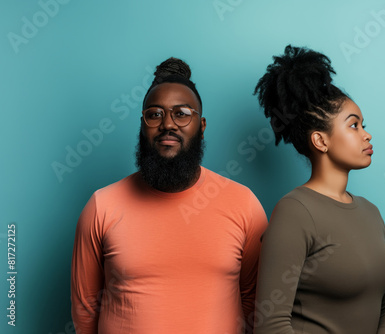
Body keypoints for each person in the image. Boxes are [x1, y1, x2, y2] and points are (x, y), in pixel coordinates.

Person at [71, 57, 268, 334]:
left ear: (202, 126)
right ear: (142, 125)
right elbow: (85, 310)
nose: (168, 124)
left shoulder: (243, 204)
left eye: (182, 113)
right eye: (155, 114)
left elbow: (253, 301)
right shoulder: (102, 206)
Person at [252, 45, 385, 334]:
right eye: (354, 125)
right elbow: (271, 325)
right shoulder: (294, 212)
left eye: (363, 125)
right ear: (321, 141)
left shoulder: (371, 213)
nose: (366, 134)